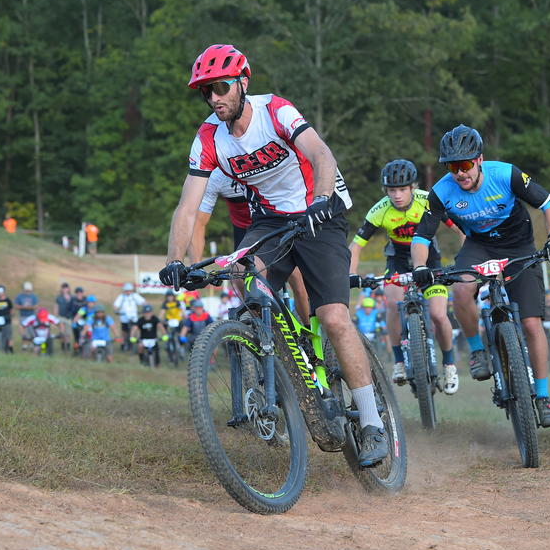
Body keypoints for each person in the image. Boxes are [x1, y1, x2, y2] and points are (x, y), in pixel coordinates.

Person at [158, 43, 388, 466]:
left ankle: (373, 422)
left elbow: (322, 154)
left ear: (243, 82)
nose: (214, 98)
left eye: (222, 87)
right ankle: (277, 355)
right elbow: (188, 205)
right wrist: (176, 261)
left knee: (334, 317)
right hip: (273, 220)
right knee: (241, 275)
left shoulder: (275, 111)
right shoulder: (209, 136)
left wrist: (320, 199)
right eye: (206, 92)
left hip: (320, 211)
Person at [411, 124, 550, 427]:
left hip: (519, 245)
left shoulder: (505, 174)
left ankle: (544, 395)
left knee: (532, 324)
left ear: (479, 159)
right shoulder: (441, 191)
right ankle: (478, 351)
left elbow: (549, 202)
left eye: (465, 164)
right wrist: (419, 267)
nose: (460, 173)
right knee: (461, 290)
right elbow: (421, 236)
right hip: (479, 247)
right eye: (453, 166)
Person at [349, 158, 463, 394]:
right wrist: (351, 273)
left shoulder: (427, 200)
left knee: (439, 315)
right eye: (392, 190)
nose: (397, 195)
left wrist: (464, 259)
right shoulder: (379, 210)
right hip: (398, 261)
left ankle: (449, 364)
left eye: (403, 189)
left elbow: (459, 229)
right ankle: (399, 361)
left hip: (430, 260)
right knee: (392, 304)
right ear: (385, 191)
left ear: (413, 187)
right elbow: (357, 245)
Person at [190, 167, 313, 323]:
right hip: (246, 231)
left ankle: (310, 333)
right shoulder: (217, 177)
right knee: (239, 276)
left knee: (296, 278)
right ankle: (266, 330)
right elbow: (199, 223)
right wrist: (196, 266)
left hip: (277, 224)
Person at [113, 283, 145, 351]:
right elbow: (116, 305)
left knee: (134, 329)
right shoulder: (121, 297)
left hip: (134, 317)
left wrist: (145, 307)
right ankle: (124, 343)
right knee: (124, 331)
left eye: (129, 290)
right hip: (124, 317)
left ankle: (134, 343)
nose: (128, 292)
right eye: (126, 290)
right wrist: (116, 310)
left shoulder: (135, 296)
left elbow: (142, 302)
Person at [15, 281, 39, 349]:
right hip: (23, 316)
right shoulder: (19, 296)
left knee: (32, 330)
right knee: (23, 331)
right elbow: (16, 306)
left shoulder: (33, 296)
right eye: (26, 290)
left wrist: (30, 307)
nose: (28, 291)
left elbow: (36, 306)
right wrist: (24, 307)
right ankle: (24, 345)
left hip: (31, 316)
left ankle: (32, 343)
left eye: (29, 290)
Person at [0, 285, 14, 353]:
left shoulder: (8, 300)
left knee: (8, 335)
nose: (0, 293)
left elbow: (11, 311)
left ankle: (10, 348)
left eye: (1, 292)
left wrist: (9, 317)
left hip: (7, 321)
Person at [55, 282, 73, 352]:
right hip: (61, 317)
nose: (65, 289)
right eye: (63, 288)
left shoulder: (71, 297)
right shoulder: (59, 298)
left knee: (68, 334)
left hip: (68, 317)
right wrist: (56, 316)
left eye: (66, 288)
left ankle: (67, 347)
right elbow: (56, 307)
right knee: (62, 332)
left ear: (68, 289)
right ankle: (63, 347)